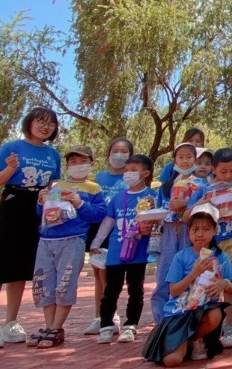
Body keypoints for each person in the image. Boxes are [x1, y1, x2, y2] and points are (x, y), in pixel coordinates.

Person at [0, 106, 62, 350]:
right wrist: (11, 168)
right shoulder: (11, 147)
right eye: (40, 121)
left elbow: (54, 184)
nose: (45, 127)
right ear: (29, 123)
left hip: (38, 208)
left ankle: (10, 322)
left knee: (22, 268)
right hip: (12, 204)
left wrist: (54, 202)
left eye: (51, 124)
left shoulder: (53, 154)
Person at [27, 144, 107, 348]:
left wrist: (79, 203)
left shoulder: (94, 188)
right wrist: (41, 201)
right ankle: (49, 327)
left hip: (73, 240)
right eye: (73, 161)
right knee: (44, 284)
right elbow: (43, 214)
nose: (77, 165)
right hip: (46, 240)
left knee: (65, 284)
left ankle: (57, 327)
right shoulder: (57, 186)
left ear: (91, 164)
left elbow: (98, 215)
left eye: (82, 161)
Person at [142, 203, 232, 367]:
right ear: (189, 232)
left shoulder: (220, 256)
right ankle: (183, 342)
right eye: (195, 229)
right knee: (172, 361)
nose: (200, 234)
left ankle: (196, 339)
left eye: (206, 229)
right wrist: (194, 273)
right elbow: (173, 291)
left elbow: (230, 286)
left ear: (215, 231)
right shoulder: (181, 257)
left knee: (215, 314)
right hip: (179, 312)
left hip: (204, 311)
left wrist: (223, 283)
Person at [187, 147, 232, 348]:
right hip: (213, 244)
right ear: (214, 169)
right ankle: (213, 324)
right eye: (223, 171)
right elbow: (186, 216)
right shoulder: (204, 189)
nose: (229, 175)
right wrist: (202, 202)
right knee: (209, 284)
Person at [92, 154, 157, 344]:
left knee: (135, 290)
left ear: (145, 173)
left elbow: (159, 220)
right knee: (111, 290)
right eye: (127, 170)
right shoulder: (118, 197)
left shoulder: (152, 196)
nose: (128, 174)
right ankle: (106, 326)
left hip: (138, 252)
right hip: (116, 252)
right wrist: (96, 243)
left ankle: (131, 325)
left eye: (134, 170)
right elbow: (108, 222)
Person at [85, 137, 133, 336]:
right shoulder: (99, 178)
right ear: (108, 154)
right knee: (98, 272)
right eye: (115, 151)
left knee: (109, 274)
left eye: (124, 152)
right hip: (98, 229)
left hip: (119, 231)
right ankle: (98, 316)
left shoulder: (131, 179)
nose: (119, 155)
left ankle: (111, 315)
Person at [151, 142, 199, 324]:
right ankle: (162, 320)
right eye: (181, 157)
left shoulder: (200, 184)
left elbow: (203, 204)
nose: (185, 161)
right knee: (164, 274)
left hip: (190, 231)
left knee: (189, 272)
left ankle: (187, 318)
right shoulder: (166, 186)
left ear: (195, 159)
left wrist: (186, 204)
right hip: (169, 232)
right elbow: (159, 208)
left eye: (189, 157)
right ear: (174, 160)